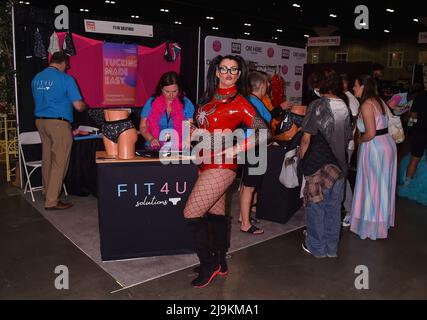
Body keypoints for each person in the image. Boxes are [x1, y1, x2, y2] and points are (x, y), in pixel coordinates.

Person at [183, 55, 271, 288]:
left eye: (234, 69)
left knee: (191, 214)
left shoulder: (240, 102)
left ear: (239, 74)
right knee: (216, 216)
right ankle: (220, 262)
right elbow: (205, 128)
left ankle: (208, 263)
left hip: (222, 164)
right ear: (217, 72)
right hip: (205, 161)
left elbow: (264, 132)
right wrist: (192, 129)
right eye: (224, 69)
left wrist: (236, 148)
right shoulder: (209, 97)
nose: (229, 73)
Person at [299, 68, 352, 258]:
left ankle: (317, 248)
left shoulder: (317, 105)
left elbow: (306, 140)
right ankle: (331, 248)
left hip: (317, 165)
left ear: (319, 84)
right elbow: (347, 138)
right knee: (333, 209)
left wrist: (302, 162)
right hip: (339, 167)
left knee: (315, 208)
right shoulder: (344, 107)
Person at [31, 51, 87, 210]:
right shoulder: (66, 79)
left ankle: (46, 191)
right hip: (58, 124)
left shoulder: (36, 78)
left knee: (47, 158)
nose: (66, 69)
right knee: (59, 162)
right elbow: (78, 105)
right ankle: (52, 201)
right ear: (62, 63)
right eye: (66, 66)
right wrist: (85, 105)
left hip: (40, 122)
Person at [349, 74, 397, 239]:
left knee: (372, 187)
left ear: (363, 86)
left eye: (355, 85)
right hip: (386, 145)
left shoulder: (367, 104)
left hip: (375, 147)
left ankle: (372, 227)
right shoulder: (378, 101)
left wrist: (359, 141)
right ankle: (378, 224)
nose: (353, 88)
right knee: (381, 186)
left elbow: (370, 133)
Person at [239, 71, 272, 235]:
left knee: (248, 185)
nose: (269, 86)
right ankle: (245, 223)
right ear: (261, 84)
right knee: (249, 187)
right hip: (253, 146)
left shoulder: (253, 100)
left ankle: (243, 217)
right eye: (267, 83)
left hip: (253, 145)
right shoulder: (252, 101)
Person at [139, 71, 195, 150]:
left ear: (179, 89)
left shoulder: (186, 104)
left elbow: (189, 128)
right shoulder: (151, 102)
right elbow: (143, 126)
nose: (171, 95)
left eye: (174, 91)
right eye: (167, 91)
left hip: (178, 148)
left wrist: (186, 141)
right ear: (161, 88)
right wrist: (151, 139)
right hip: (154, 148)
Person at [398, 85, 427, 205]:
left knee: (414, 160)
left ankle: (407, 184)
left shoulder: (420, 96)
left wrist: (411, 127)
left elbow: (413, 116)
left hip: (420, 132)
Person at [340, 74, 360, 226]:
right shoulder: (343, 98)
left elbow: (352, 125)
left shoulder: (350, 100)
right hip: (343, 145)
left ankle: (350, 210)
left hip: (346, 145)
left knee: (342, 178)